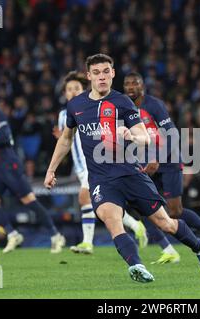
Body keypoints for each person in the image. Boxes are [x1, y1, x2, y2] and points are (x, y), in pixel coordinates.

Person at [45, 54, 200, 283]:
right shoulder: (76, 105)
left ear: (113, 73)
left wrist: (131, 135)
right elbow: (66, 139)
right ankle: (136, 265)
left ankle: (198, 246)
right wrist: (51, 169)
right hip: (102, 179)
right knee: (111, 219)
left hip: (131, 174)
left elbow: (145, 137)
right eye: (96, 73)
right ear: (89, 76)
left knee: (165, 223)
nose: (102, 76)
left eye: (106, 71)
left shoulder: (122, 102)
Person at [123, 72, 200, 261]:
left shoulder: (154, 105)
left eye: (135, 83)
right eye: (127, 84)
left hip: (168, 159)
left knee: (175, 211)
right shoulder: (124, 109)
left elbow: (172, 135)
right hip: (147, 163)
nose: (131, 87)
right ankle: (168, 250)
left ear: (142, 86)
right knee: (143, 206)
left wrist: (157, 158)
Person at [54, 71, 148, 254]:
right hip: (80, 164)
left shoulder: (90, 109)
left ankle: (88, 242)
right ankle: (136, 226)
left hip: (96, 162)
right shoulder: (63, 115)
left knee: (85, 198)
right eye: (69, 89)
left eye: (77, 88)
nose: (73, 92)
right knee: (102, 205)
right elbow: (66, 140)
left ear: (84, 90)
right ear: (65, 93)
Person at [0, 84, 66, 254]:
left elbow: (5, 137)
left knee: (29, 201)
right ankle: (13, 234)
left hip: (9, 166)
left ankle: (56, 235)